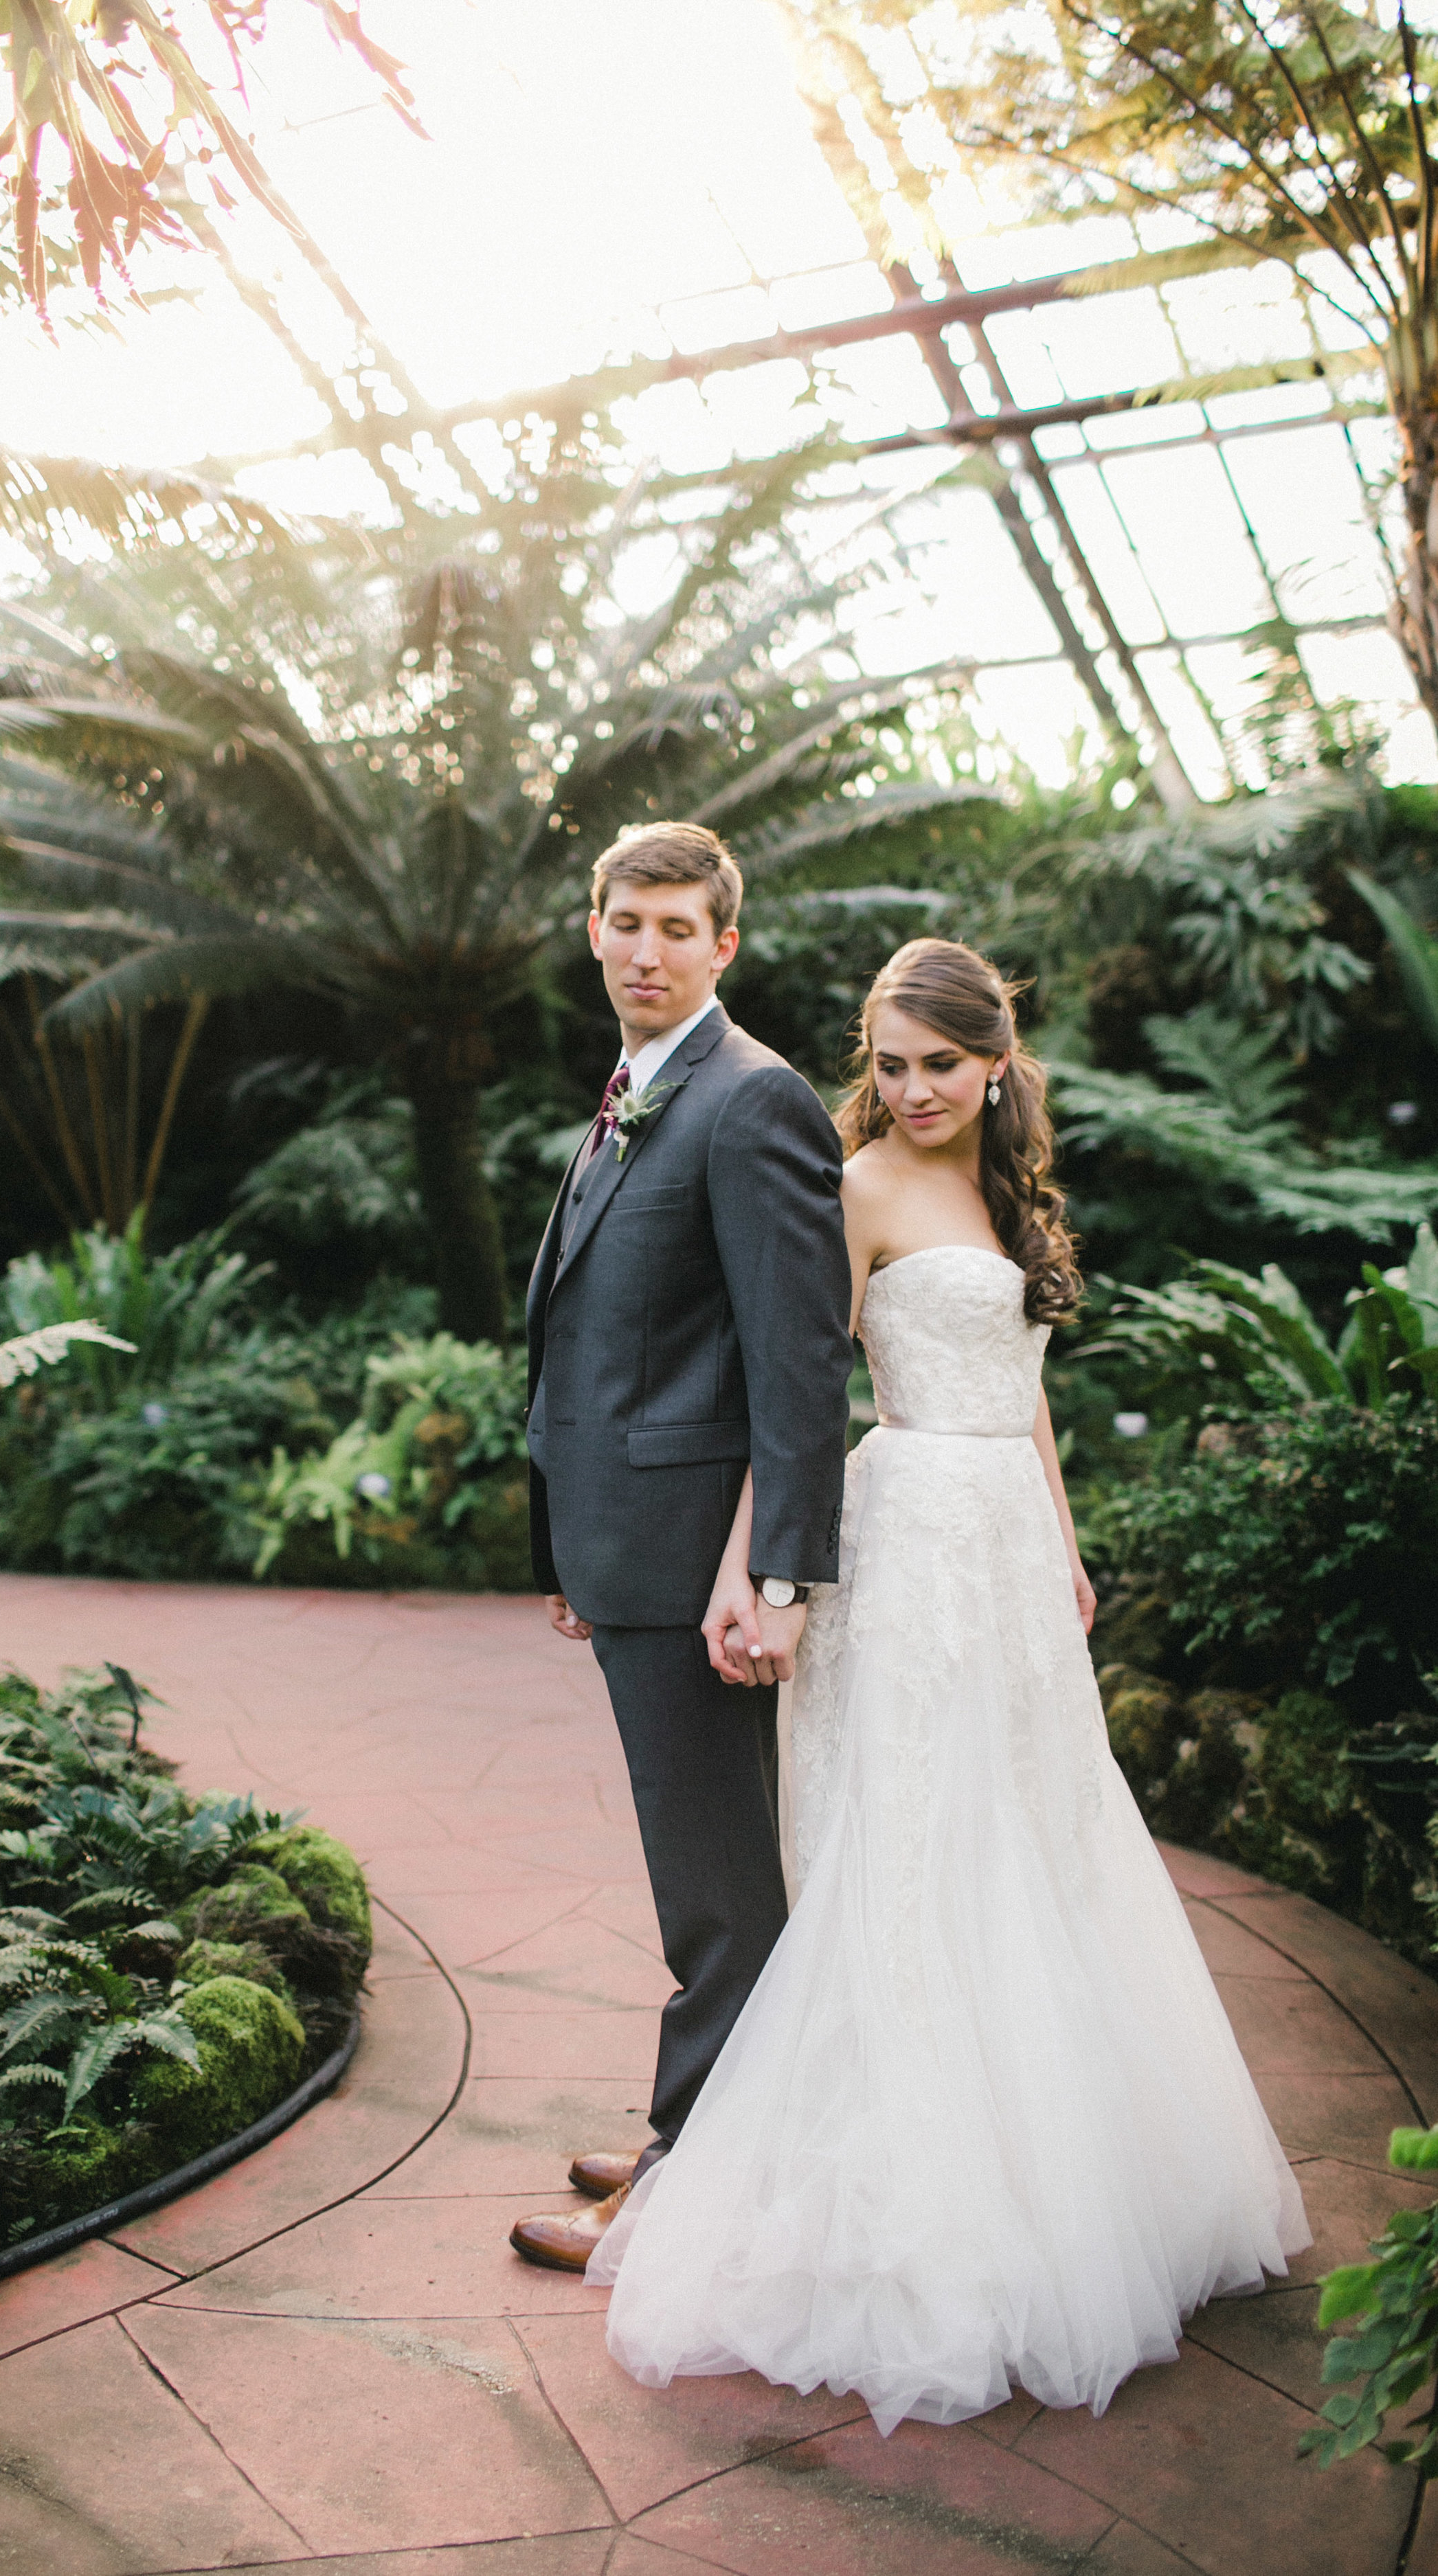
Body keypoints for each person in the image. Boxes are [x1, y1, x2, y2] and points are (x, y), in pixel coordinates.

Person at [586, 935, 1310, 2424]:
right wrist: (752, 1570)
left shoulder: (1014, 1195)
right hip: (902, 1535)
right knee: (908, 1850)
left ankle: (1068, 2172)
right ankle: (888, 2192)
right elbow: (786, 1382)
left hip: (1005, 1553)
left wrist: (1064, 1538)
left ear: (994, 1063)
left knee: (1037, 1836)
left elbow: (1029, 1402)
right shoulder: (851, 1187)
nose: (910, 1091)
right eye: (889, 1064)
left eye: (937, 1065)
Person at [508, 821, 854, 2273]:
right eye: (624, 922)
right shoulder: (638, 1089)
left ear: (725, 943)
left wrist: (775, 1575)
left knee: (715, 1884)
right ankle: (707, 2133)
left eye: (675, 928)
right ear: (592, 930)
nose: (645, 951)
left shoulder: (751, 1102)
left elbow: (796, 1364)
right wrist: (572, 1544)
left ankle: (692, 2181)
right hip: (629, 1548)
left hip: (703, 1573)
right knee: (698, 1870)